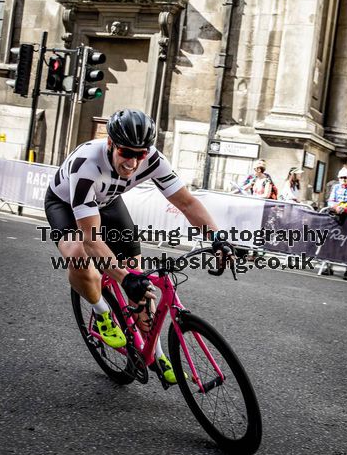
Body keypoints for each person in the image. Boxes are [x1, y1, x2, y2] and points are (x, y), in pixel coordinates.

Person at [45, 109, 233, 384]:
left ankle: (154, 351)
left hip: (108, 203)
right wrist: (124, 278)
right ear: (110, 143)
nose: (133, 161)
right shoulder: (87, 166)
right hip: (65, 204)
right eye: (126, 152)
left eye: (140, 154)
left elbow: (187, 203)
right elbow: (91, 238)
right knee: (79, 257)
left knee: (140, 282)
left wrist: (217, 238)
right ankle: (101, 312)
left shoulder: (154, 159)